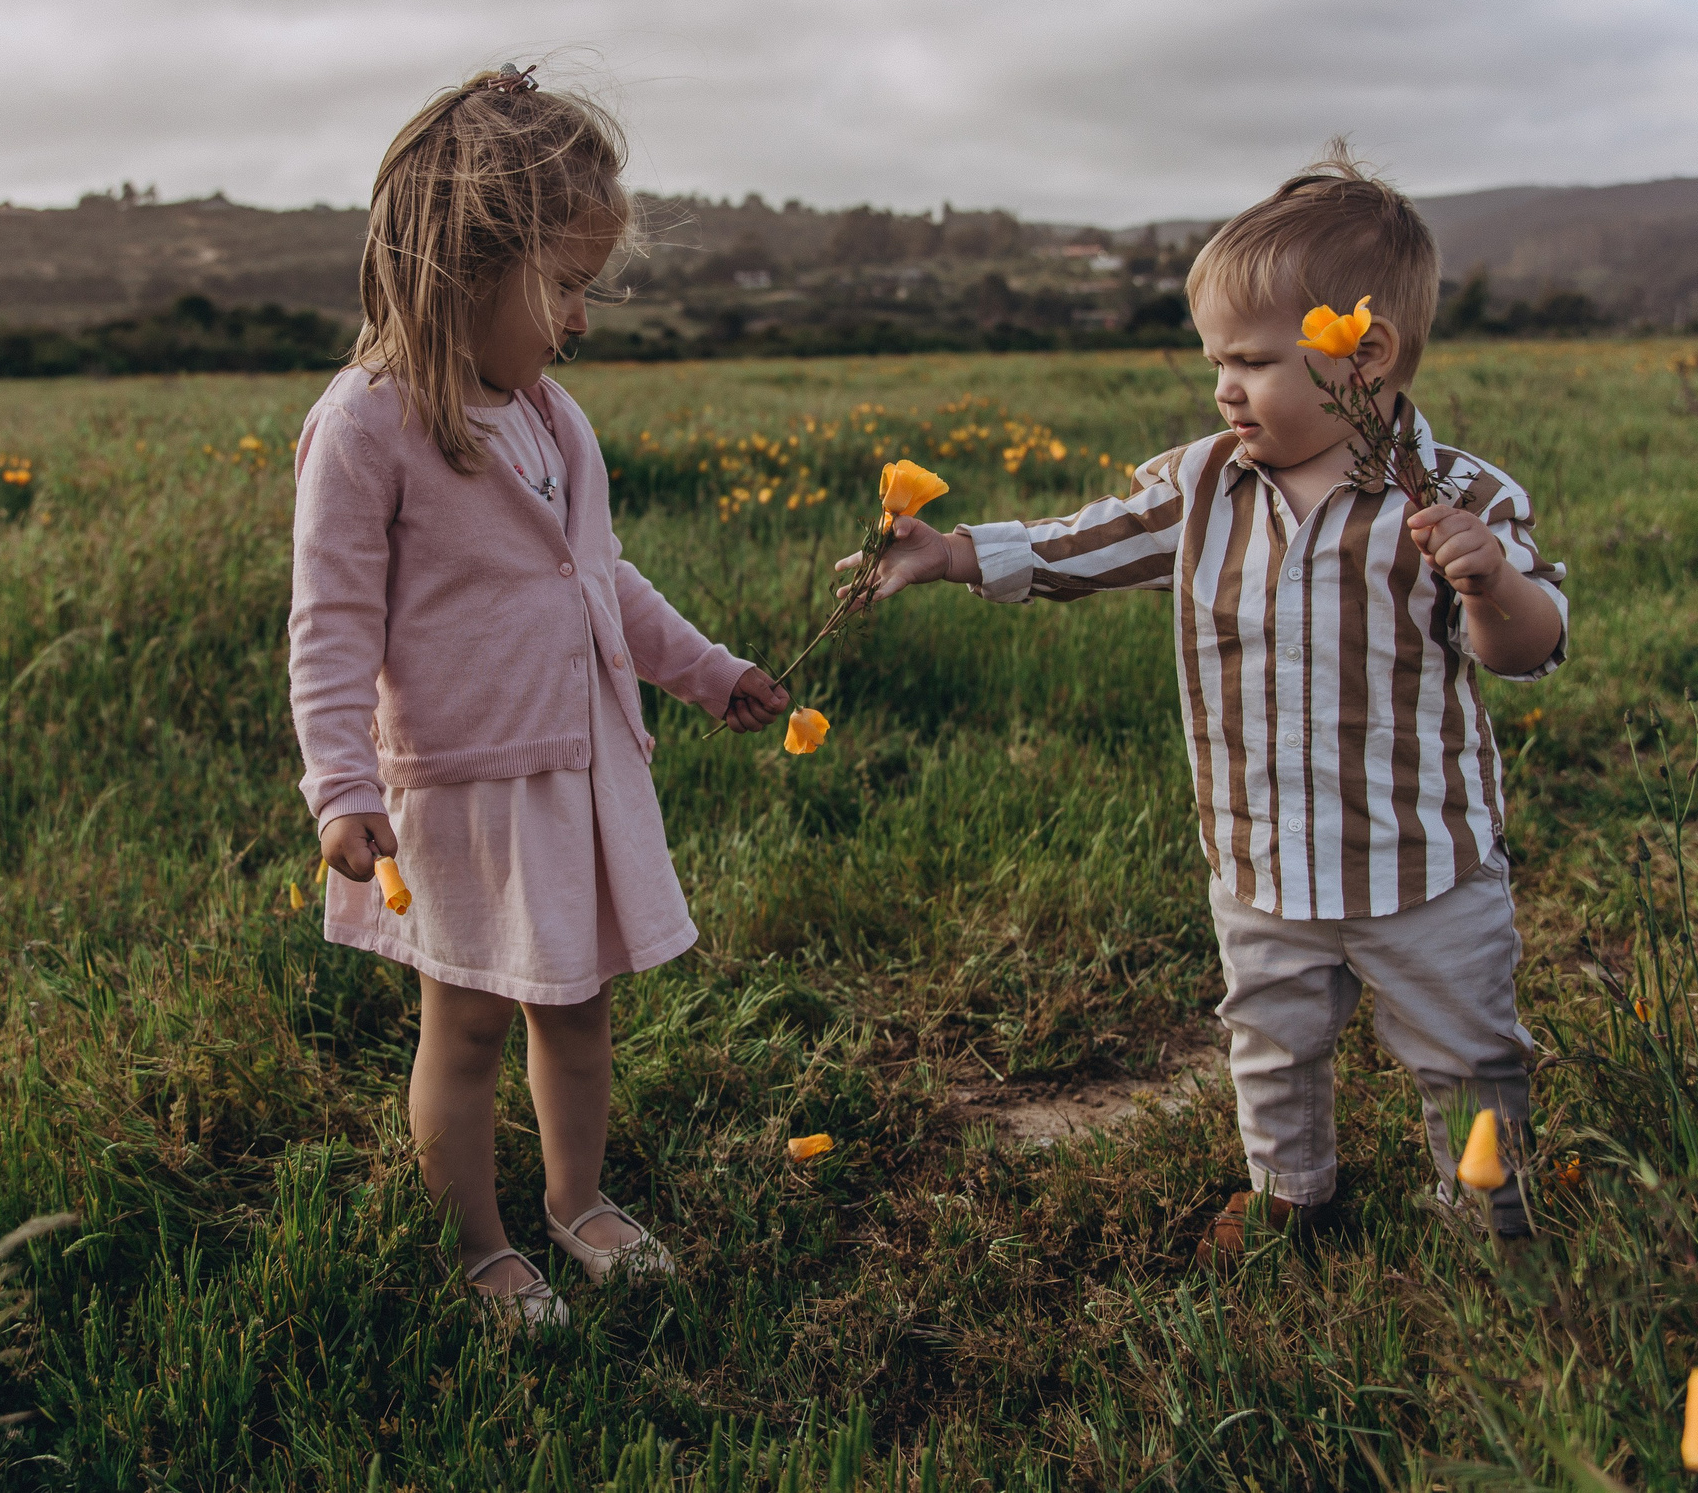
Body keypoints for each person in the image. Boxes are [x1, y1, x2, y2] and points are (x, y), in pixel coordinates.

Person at [850, 144, 1566, 1253]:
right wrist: (952, 554)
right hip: (1260, 853)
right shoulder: (1205, 482)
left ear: (1361, 357)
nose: (1223, 386)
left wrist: (1492, 580)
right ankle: (1293, 1193)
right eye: (1214, 360)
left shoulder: (1461, 498)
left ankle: (1488, 1215)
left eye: (1251, 360)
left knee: (1467, 1051)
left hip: (1421, 861)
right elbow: (1080, 543)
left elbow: (1525, 648)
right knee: (1269, 1037)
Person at [288, 66, 791, 1327]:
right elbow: (333, 623)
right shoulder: (368, 424)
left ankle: (579, 1203)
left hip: (581, 768)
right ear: (466, 262)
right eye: (563, 285)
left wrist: (706, 669)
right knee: (459, 1028)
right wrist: (341, 786)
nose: (577, 319)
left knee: (578, 1009)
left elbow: (599, 579)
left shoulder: (555, 422)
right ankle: (478, 1246)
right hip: (461, 784)